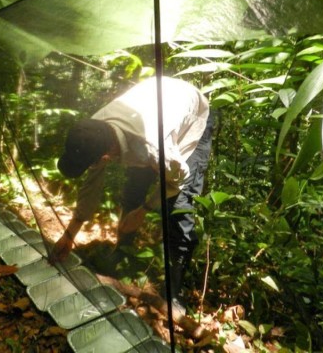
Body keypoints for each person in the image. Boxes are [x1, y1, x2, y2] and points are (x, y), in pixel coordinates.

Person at [51, 76, 213, 313]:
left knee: (180, 211)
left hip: (192, 115)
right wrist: (69, 235)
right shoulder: (93, 130)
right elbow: (91, 185)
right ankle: (122, 255)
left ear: (106, 156)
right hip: (153, 106)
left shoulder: (159, 151)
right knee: (133, 191)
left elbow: (177, 180)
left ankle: (173, 293)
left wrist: (145, 210)